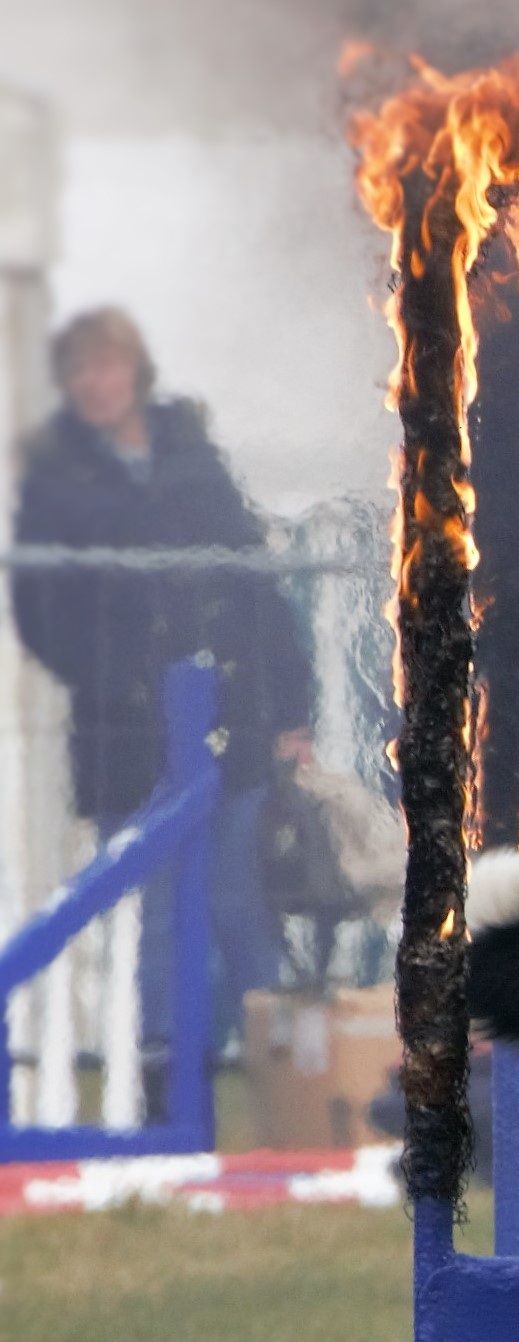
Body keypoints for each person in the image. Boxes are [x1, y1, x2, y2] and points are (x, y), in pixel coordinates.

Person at [10, 306, 314, 1055]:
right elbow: (40, 609)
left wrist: (293, 708)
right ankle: (161, 1067)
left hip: (228, 720)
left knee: (239, 899)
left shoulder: (197, 463)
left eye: (106, 364)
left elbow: (259, 590)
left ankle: (278, 1062)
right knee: (151, 909)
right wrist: (114, 678)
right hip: (127, 737)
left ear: (133, 369)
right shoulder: (57, 485)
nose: (95, 381)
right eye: (79, 369)